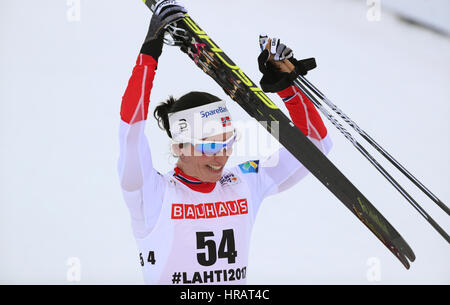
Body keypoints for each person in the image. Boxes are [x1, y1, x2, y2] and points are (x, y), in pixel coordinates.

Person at [118, 0, 332, 285]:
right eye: (208, 146)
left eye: (228, 143)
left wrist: (287, 88)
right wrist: (150, 52)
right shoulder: (152, 196)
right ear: (179, 147)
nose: (221, 157)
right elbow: (130, 133)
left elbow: (317, 148)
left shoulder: (244, 182)